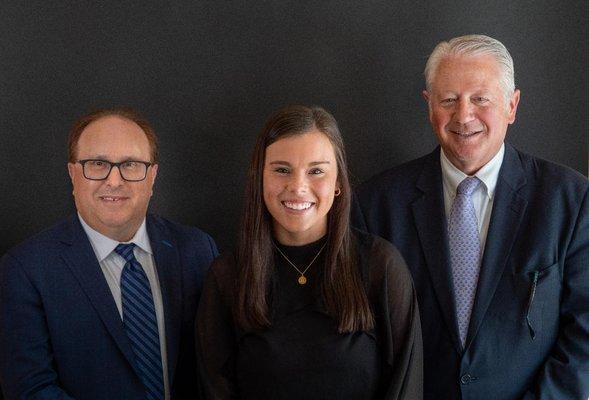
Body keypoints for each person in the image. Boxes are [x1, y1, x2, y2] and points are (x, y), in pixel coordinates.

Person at [353, 34, 589, 399]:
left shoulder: (570, 201)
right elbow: (363, 343)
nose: (464, 116)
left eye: (481, 99)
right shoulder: (376, 205)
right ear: (429, 106)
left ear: (512, 106)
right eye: (449, 100)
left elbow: (584, 338)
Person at [196, 105, 422, 399]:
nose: (298, 187)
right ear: (259, 178)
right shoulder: (227, 276)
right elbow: (214, 389)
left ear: (338, 182)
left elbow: (405, 386)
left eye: (316, 171)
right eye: (281, 170)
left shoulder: (381, 265)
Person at [0, 108, 218, 399]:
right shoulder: (26, 269)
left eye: (130, 165)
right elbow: (32, 389)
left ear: (152, 176)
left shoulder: (197, 251)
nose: (114, 181)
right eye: (98, 163)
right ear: (72, 173)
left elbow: (218, 367)